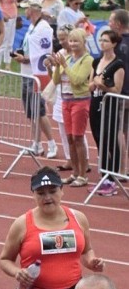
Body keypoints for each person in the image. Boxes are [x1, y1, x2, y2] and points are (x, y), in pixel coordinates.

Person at [49, 28, 94, 186]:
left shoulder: (87, 60)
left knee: (78, 137)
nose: (73, 44)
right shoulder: (66, 57)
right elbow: (56, 80)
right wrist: (55, 66)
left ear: (83, 42)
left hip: (80, 101)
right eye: (71, 41)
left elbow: (78, 79)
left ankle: (83, 174)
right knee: (69, 138)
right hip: (65, 101)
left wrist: (64, 66)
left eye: (76, 41)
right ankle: (74, 172)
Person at [90, 27, 126, 191]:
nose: (102, 43)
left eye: (106, 41)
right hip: (95, 102)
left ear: (114, 44)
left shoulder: (118, 65)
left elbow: (117, 89)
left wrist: (101, 84)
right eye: (101, 40)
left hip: (110, 105)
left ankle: (112, 178)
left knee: (110, 139)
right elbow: (90, 84)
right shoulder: (96, 61)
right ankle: (104, 174)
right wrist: (95, 84)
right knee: (98, 138)